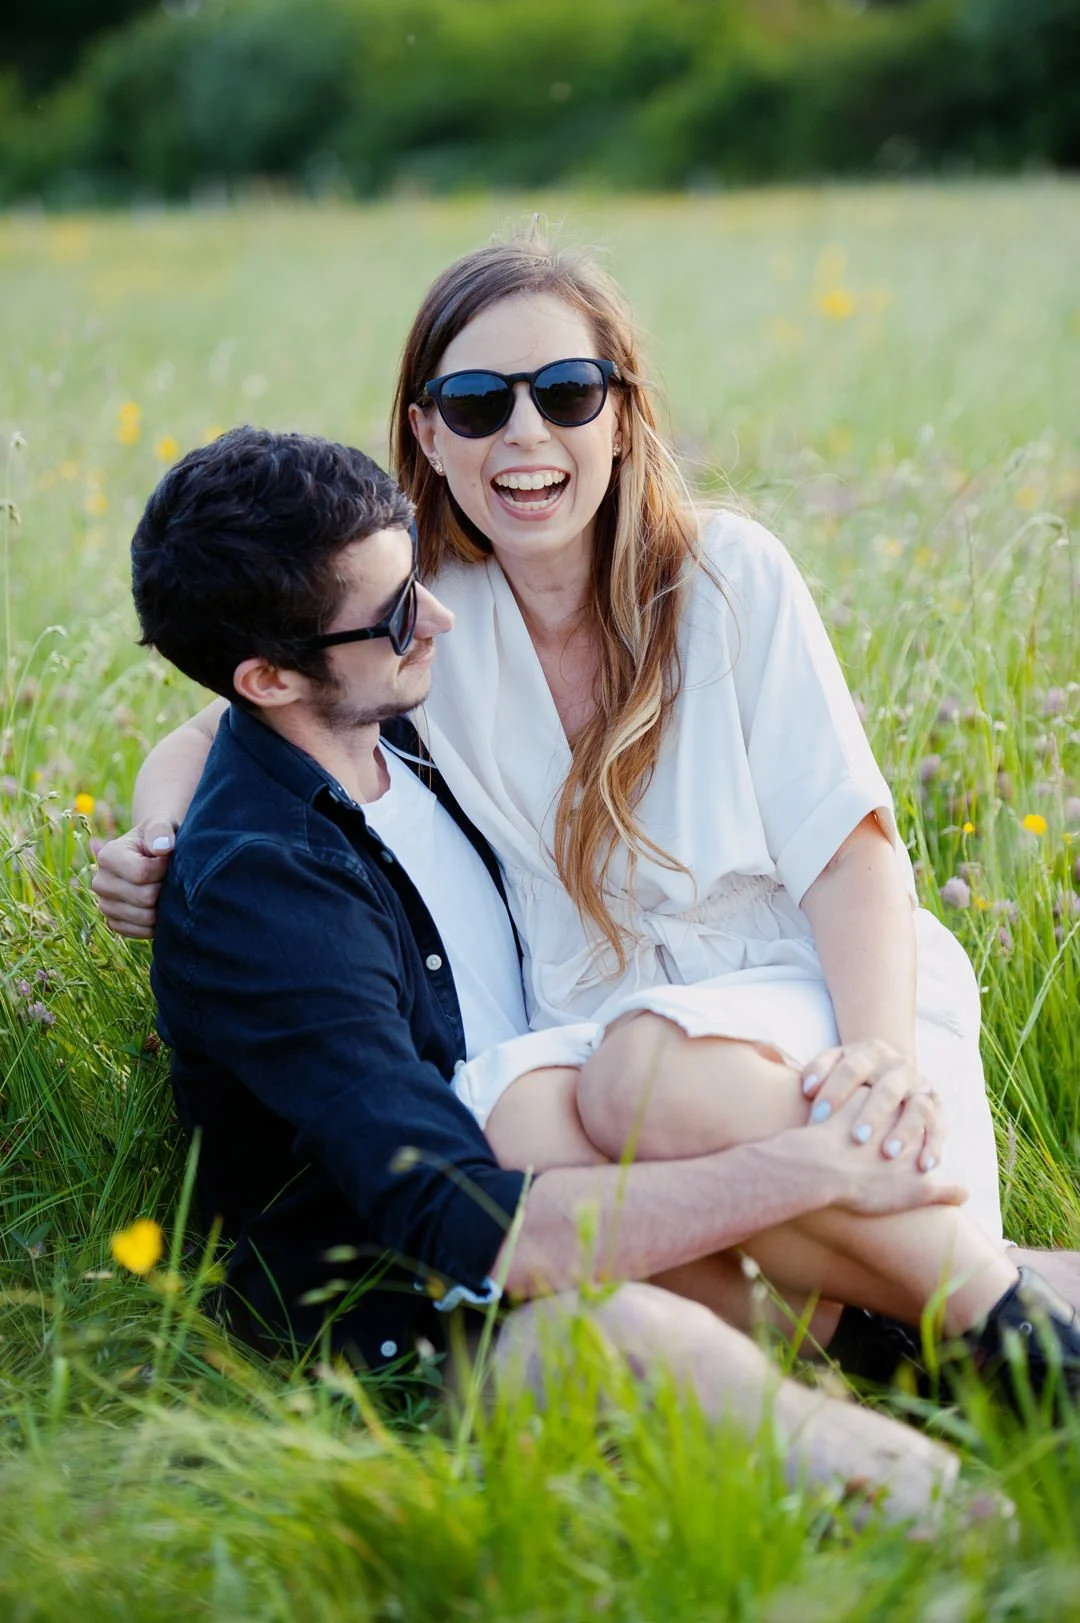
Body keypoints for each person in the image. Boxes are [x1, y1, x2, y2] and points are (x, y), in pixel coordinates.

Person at [105, 417, 1080, 1422]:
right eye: (397, 616)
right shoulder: (268, 878)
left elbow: (217, 721)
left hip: (617, 1106)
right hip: (461, 1233)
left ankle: (988, 1340)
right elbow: (454, 1210)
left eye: (419, 583)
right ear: (270, 681)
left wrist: (159, 816)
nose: (439, 620)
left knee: (612, 1089)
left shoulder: (391, 707)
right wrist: (803, 1170)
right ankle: (986, 1350)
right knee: (544, 1124)